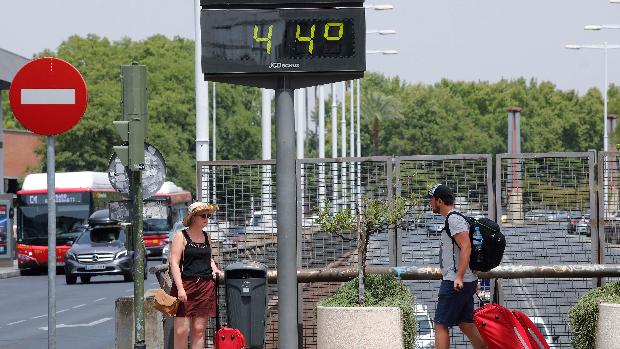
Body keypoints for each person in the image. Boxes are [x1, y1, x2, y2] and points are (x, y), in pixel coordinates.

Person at [427, 184, 486, 349]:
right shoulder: (454, 218)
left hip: (456, 281)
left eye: (431, 200)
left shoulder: (453, 219)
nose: (430, 204)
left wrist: (459, 276)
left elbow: (466, 247)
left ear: (439, 201)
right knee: (466, 324)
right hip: (465, 281)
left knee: (440, 325)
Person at [169, 202, 224, 349]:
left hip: (205, 286)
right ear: (193, 217)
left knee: (199, 330)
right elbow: (174, 263)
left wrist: (215, 269)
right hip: (186, 285)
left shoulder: (207, 236)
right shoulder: (181, 236)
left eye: (208, 216)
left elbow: (209, 258)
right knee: (182, 330)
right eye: (203, 216)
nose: (207, 219)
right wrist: (180, 288)